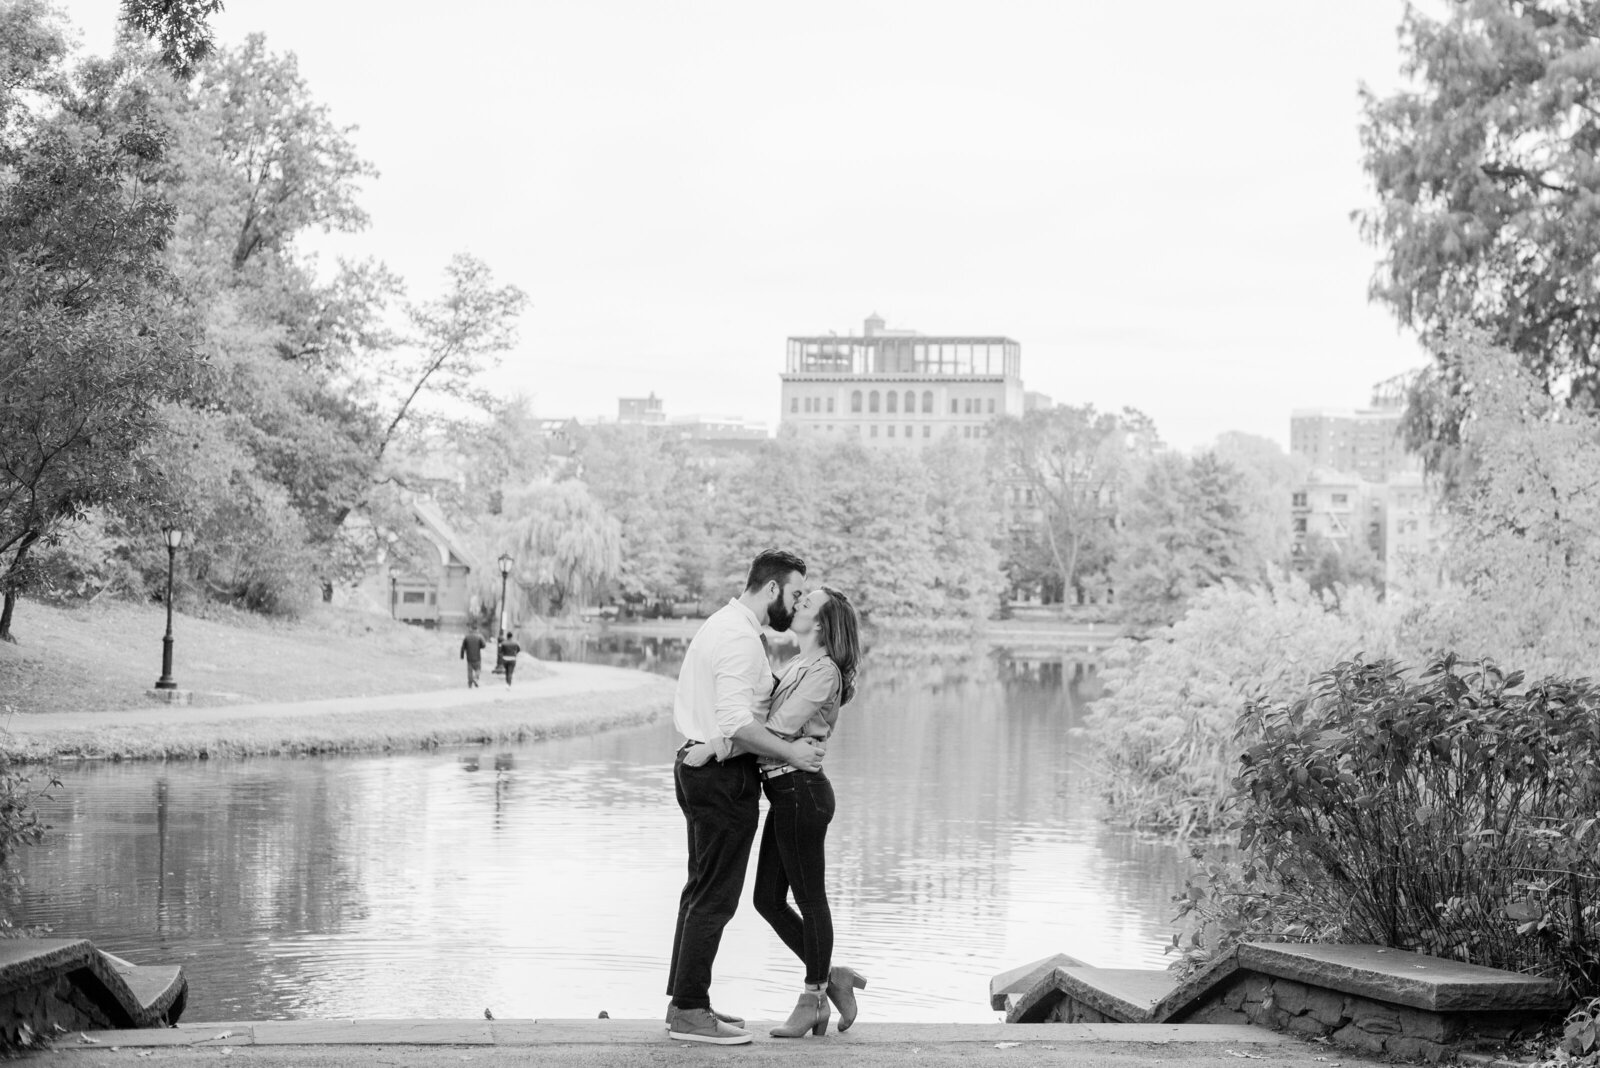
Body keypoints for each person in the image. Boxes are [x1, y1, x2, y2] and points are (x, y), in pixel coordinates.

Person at [684, 585, 866, 1039]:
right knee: (766, 899)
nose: (797, 604)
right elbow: (768, 720)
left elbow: (775, 729)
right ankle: (831, 975)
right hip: (785, 791)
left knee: (810, 897)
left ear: (822, 623)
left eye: (808, 603)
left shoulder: (823, 672)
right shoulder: (797, 664)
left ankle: (813, 998)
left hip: (804, 793)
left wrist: (715, 746)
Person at [664, 549, 826, 1046]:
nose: (797, 603)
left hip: (706, 766)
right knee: (715, 896)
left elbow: (732, 717)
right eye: (796, 593)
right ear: (773, 589)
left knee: (700, 890)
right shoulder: (738, 636)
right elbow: (735, 720)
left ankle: (687, 1002)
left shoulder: (727, 626)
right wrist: (792, 754)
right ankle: (690, 1011)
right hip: (721, 778)